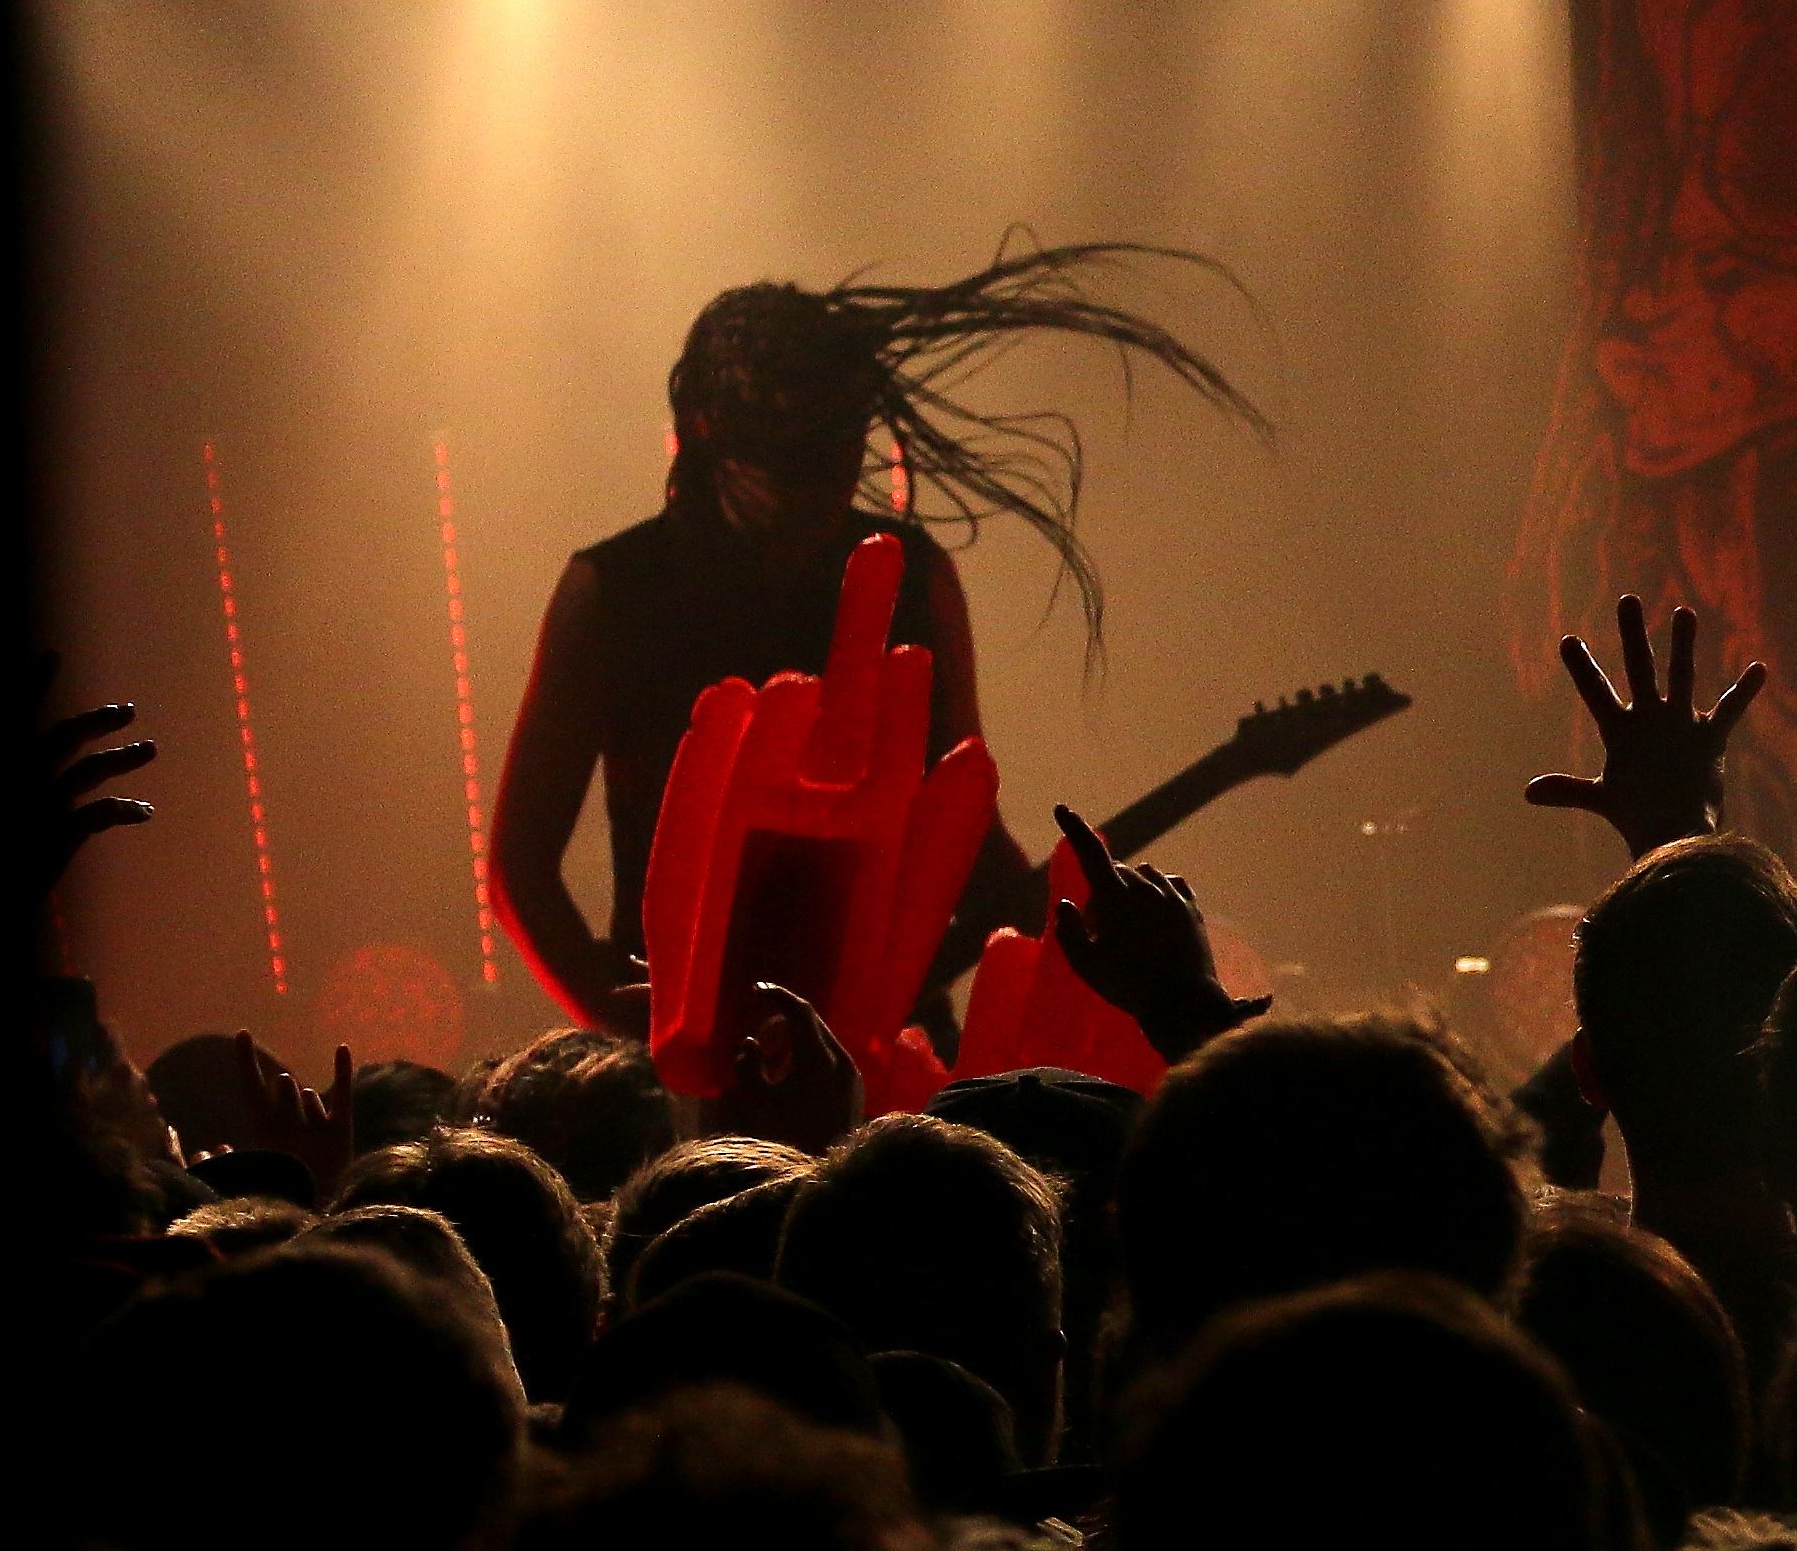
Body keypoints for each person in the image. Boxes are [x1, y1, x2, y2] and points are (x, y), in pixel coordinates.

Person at [481, 249, 1252, 1035]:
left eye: (843, 450)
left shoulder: (912, 575)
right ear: (709, 430)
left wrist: (1072, 928)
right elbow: (519, 869)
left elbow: (963, 824)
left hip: (890, 1039)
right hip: (687, 1041)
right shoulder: (613, 591)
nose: (825, 488)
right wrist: (625, 1026)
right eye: (795, 462)